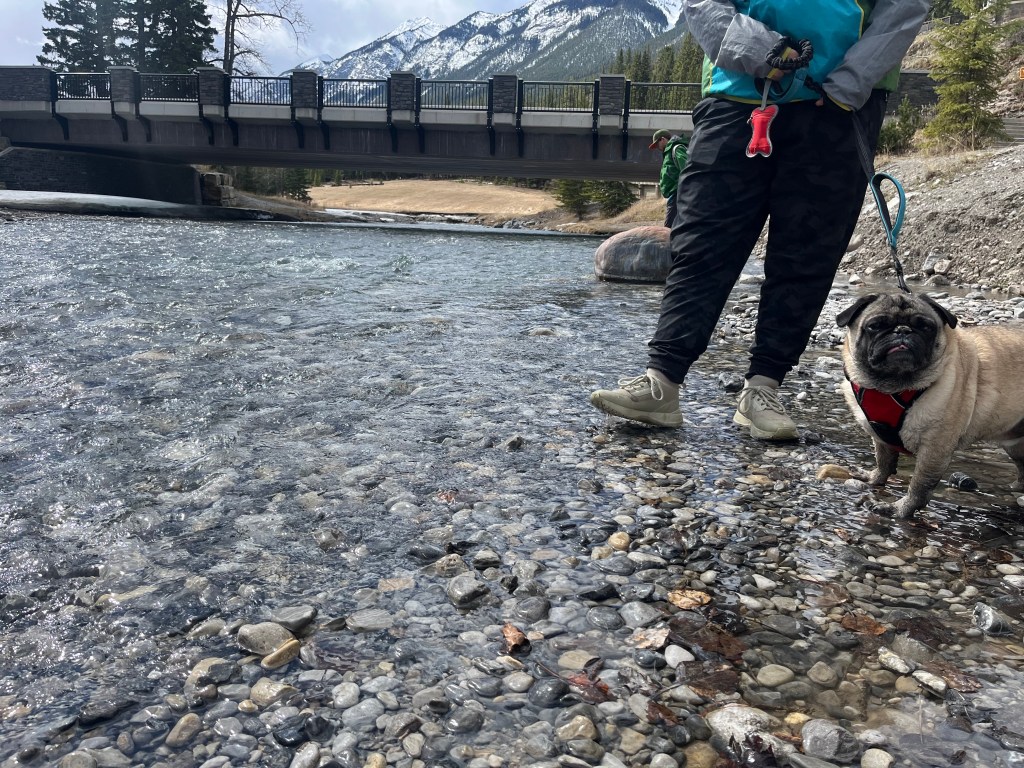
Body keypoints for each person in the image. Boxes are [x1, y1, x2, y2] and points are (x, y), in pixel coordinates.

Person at [590, 0, 929, 439]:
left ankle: (763, 389)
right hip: (736, 93)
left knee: (807, 253)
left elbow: (904, 7)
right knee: (700, 245)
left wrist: (851, 83)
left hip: (841, 102)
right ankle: (662, 382)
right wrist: (759, 50)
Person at [650, 129, 689, 228]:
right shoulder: (668, 153)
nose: (657, 147)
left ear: (662, 139)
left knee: (668, 228)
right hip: (674, 196)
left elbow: (687, 169)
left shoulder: (676, 149)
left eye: (657, 144)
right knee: (675, 228)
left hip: (678, 194)